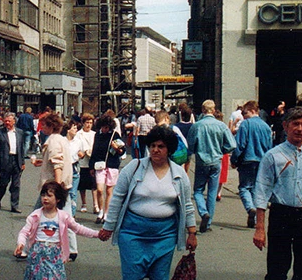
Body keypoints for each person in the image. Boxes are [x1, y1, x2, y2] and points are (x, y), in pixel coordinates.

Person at [98, 125, 198, 280]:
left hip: (165, 236)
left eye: (161, 146)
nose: (155, 150)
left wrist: (192, 233)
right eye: (152, 146)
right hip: (133, 234)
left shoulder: (179, 174)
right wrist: (108, 227)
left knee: (160, 276)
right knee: (133, 276)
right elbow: (118, 198)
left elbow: (187, 206)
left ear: (169, 149)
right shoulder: (134, 167)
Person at [253, 105, 302, 280]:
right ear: (285, 126)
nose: (299, 129)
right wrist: (259, 227)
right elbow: (261, 191)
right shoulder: (273, 156)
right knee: (277, 269)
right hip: (281, 215)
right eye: (295, 124)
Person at [16, 181, 99, 279]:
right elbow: (24, 232)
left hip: (55, 255)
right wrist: (20, 243)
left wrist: (97, 234)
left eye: (49, 196)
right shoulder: (35, 215)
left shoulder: (63, 216)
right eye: (43, 195)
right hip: (37, 255)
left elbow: (78, 229)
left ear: (58, 199)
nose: (45, 198)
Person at [32, 112, 80, 260]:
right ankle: (72, 249)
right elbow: (60, 160)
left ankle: (28, 247)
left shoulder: (52, 140)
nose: (42, 127)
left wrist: (55, 189)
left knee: (35, 216)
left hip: (52, 187)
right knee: (67, 218)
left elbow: (57, 164)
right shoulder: (61, 139)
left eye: (44, 125)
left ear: (51, 126)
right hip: (63, 185)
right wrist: (43, 162)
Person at [187, 99, 236, 233]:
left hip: (202, 161)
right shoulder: (221, 126)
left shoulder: (197, 126)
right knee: (212, 192)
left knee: (198, 190)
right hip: (216, 161)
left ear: (203, 110)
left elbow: (190, 145)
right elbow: (232, 144)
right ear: (213, 110)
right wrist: (222, 151)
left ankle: (203, 212)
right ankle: (208, 223)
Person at [231, 100, 273, 228]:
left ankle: (250, 209)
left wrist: (234, 160)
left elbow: (240, 145)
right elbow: (269, 147)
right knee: (255, 188)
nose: (243, 116)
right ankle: (254, 219)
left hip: (247, 160)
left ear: (254, 111)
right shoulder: (266, 127)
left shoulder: (245, 125)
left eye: (245, 113)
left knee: (244, 188)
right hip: (261, 161)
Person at [89, 113, 125, 225]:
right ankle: (100, 211)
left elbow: (122, 151)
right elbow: (94, 150)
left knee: (109, 190)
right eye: (103, 127)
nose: (104, 129)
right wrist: (91, 166)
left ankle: (106, 213)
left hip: (112, 164)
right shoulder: (98, 136)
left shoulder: (115, 135)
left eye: (107, 127)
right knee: (99, 189)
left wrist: (117, 149)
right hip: (100, 165)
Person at [0, 111, 25, 212]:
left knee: (16, 185)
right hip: (6, 161)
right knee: (3, 183)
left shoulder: (20, 132)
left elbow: (21, 148)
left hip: (16, 160)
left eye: (9, 121)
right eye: (5, 121)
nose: (7, 123)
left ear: (14, 121)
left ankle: (14, 205)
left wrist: (23, 162)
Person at [74, 113, 96, 212]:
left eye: (91, 123)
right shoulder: (78, 134)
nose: (89, 125)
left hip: (92, 163)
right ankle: (84, 203)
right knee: (82, 185)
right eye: (87, 122)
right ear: (83, 123)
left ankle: (96, 205)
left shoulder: (94, 134)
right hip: (82, 162)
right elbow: (77, 147)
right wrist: (84, 151)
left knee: (94, 185)